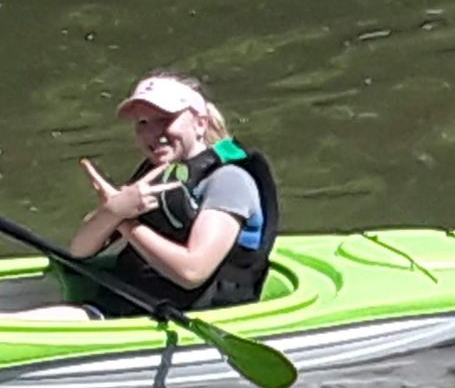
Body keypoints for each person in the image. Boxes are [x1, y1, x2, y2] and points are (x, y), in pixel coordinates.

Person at [37, 72, 280, 319]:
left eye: (165, 119)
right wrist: (113, 211)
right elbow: (80, 251)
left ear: (200, 123)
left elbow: (192, 273)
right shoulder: (152, 176)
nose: (153, 133)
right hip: (128, 309)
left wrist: (126, 222)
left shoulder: (228, 180)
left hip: (188, 318)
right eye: (143, 123)